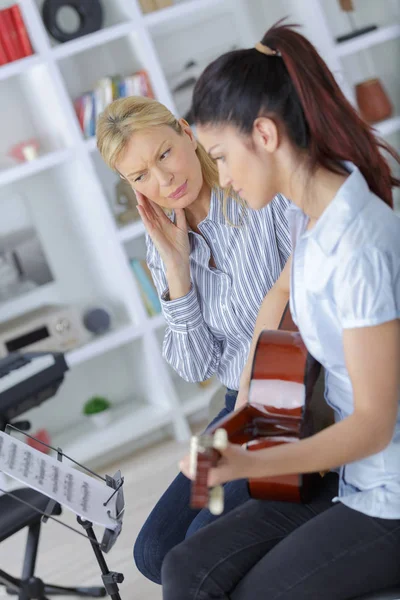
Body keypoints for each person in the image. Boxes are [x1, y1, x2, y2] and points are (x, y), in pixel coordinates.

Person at [161, 21, 400, 600]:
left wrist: (244, 466)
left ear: (264, 134)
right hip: (349, 480)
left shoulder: (360, 245)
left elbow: (374, 425)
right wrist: (238, 426)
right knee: (182, 569)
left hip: (389, 496)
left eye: (219, 155)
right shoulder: (316, 228)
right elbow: (278, 320)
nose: (218, 177)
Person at [96, 96, 292, 584]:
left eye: (164, 154)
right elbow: (195, 365)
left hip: (290, 389)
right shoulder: (162, 235)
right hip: (234, 408)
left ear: (185, 130)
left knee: (200, 544)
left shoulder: (254, 188)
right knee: (153, 551)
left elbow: (307, 298)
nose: (163, 182)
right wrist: (177, 270)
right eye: (140, 176)